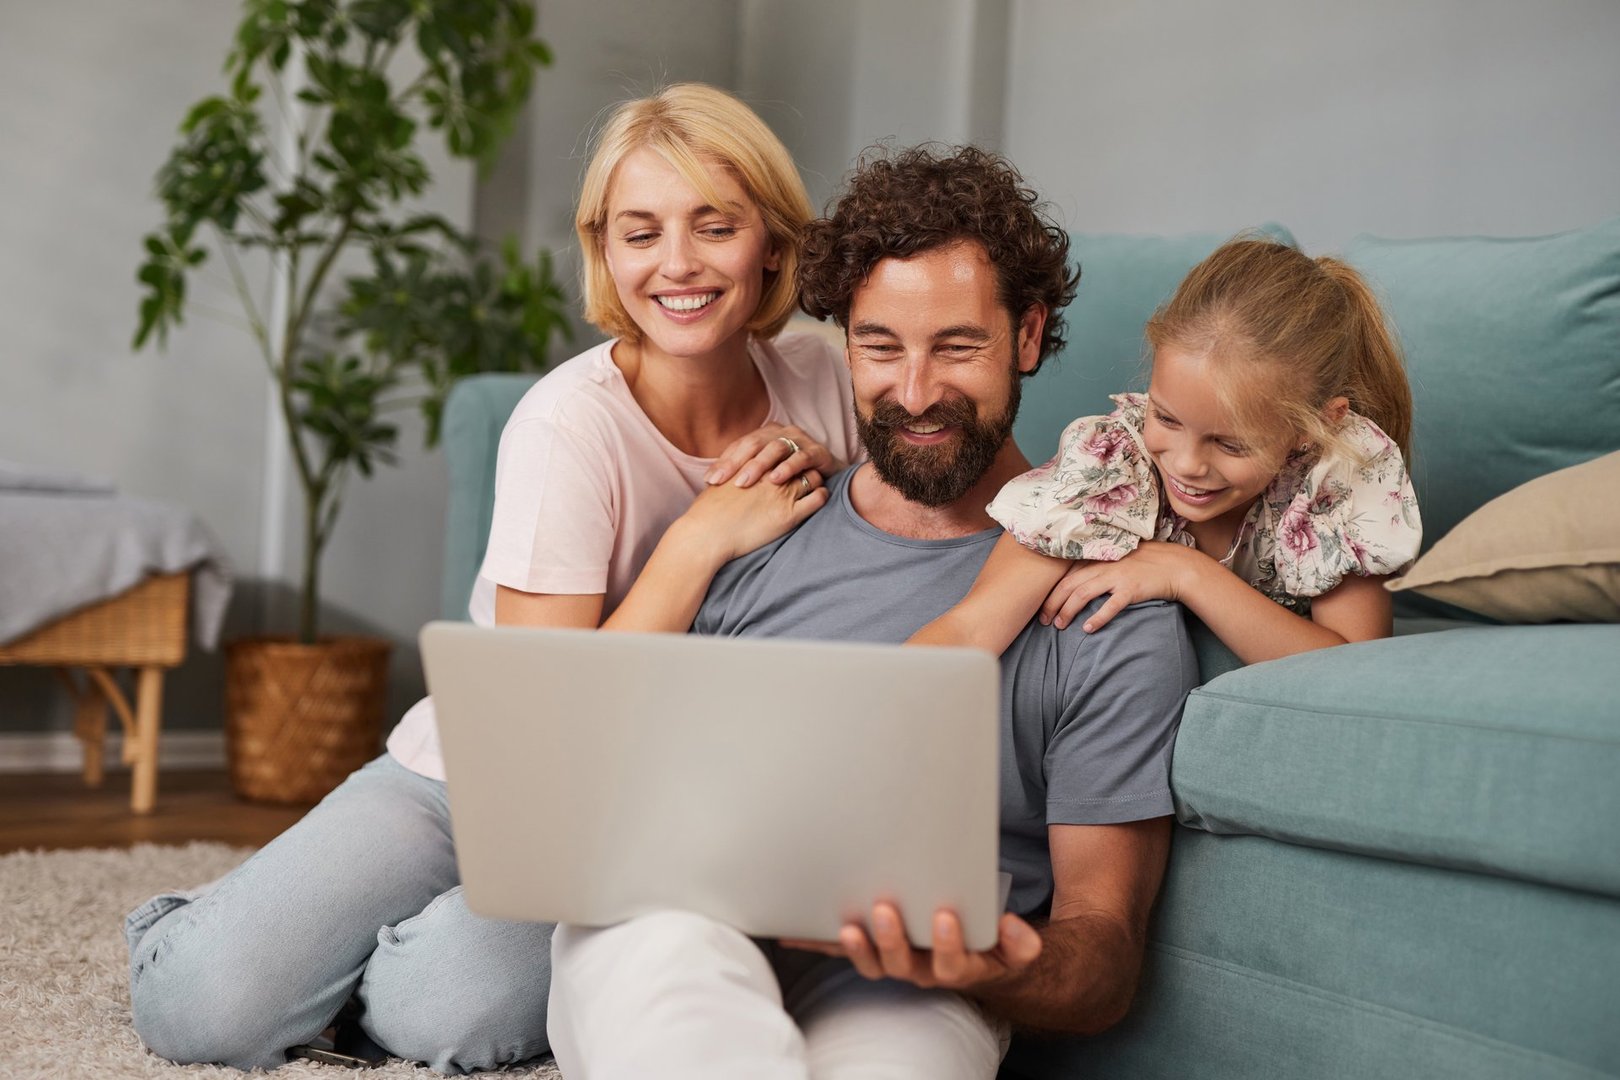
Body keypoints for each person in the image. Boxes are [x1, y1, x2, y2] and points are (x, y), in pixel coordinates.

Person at [125, 83, 862, 1073]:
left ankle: (360, 969)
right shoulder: (568, 427)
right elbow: (543, 735)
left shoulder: (829, 377)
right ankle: (217, 925)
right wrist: (698, 540)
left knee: (446, 1017)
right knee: (204, 1010)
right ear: (604, 249)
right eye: (640, 232)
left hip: (659, 819)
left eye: (714, 226)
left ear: (772, 241)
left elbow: (987, 488)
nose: (677, 264)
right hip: (477, 779)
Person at [544, 145, 1197, 1080]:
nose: (916, 391)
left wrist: (991, 963)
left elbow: (1102, 958)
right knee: (680, 1000)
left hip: (915, 980)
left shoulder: (1108, 603)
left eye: (958, 347)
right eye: (880, 346)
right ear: (842, 341)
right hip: (681, 926)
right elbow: (590, 783)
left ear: (1027, 335)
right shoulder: (757, 530)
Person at [913, 237, 1422, 666]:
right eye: (1167, 418)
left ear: (1315, 427)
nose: (1185, 464)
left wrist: (1186, 573)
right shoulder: (1114, 465)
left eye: (1230, 443)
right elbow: (972, 629)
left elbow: (1350, 669)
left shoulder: (1338, 472)